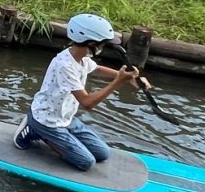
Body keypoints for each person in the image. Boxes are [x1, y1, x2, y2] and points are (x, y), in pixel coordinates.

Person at [15, 13, 142, 172]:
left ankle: (59, 137)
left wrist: (128, 77)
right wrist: (118, 82)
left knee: (102, 153)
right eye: (102, 44)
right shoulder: (65, 65)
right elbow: (87, 103)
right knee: (85, 162)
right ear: (90, 43)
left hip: (65, 118)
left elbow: (96, 68)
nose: (103, 48)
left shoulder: (81, 58)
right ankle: (35, 129)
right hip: (46, 119)